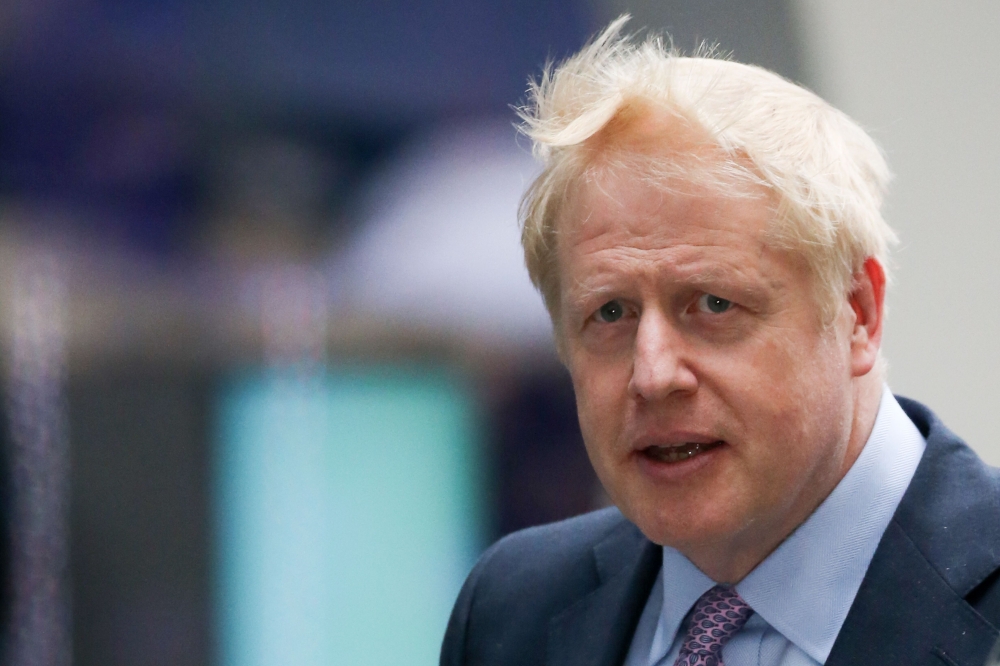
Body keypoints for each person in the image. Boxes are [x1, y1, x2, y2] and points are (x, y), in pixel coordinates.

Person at [440, 17, 1000, 666]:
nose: (653, 375)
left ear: (858, 313)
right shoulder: (510, 612)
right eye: (611, 312)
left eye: (713, 304)